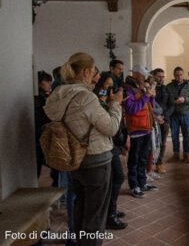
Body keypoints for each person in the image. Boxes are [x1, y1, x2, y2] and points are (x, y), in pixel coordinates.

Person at [44, 52, 123, 246]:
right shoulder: (85, 97)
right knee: (95, 217)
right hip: (95, 159)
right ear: (86, 72)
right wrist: (116, 105)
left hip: (73, 158)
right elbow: (111, 128)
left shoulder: (57, 94)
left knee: (80, 209)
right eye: (94, 71)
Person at [93, 72, 128, 230]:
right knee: (115, 178)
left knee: (117, 178)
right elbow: (110, 127)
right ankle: (109, 214)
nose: (109, 89)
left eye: (110, 86)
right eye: (107, 86)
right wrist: (113, 105)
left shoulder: (105, 102)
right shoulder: (96, 103)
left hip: (112, 146)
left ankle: (111, 210)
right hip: (105, 147)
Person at [123, 64, 158, 198]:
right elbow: (131, 109)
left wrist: (151, 96)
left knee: (143, 158)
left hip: (147, 128)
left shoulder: (141, 87)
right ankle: (134, 186)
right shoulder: (128, 89)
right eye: (142, 75)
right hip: (136, 129)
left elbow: (150, 107)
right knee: (134, 159)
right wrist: (145, 97)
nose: (145, 78)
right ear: (135, 74)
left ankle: (142, 182)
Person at [166, 66, 189, 163]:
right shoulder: (169, 87)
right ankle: (176, 154)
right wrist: (172, 101)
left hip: (186, 115)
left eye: (181, 75)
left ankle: (186, 155)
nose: (179, 77)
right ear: (174, 75)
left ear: (183, 75)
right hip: (174, 115)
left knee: (186, 136)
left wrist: (184, 100)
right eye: (177, 75)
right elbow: (166, 100)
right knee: (174, 136)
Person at [152, 68, 174, 173]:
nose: (161, 79)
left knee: (163, 143)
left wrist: (163, 117)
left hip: (165, 120)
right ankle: (149, 165)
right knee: (151, 143)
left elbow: (171, 106)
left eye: (162, 76)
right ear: (154, 76)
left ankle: (159, 163)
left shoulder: (167, 89)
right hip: (152, 120)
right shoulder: (150, 88)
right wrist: (156, 117)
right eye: (159, 76)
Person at [35, 71, 52, 178]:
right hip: (39, 134)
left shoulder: (42, 98)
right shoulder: (40, 99)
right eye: (47, 81)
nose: (50, 83)